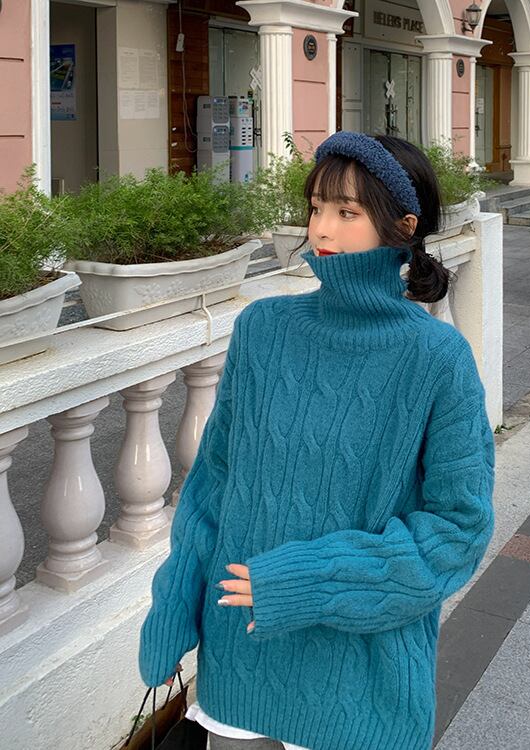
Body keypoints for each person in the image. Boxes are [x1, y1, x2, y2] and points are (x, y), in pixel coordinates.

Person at [138, 131, 496, 750]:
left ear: (402, 226)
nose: (322, 229)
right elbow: (214, 484)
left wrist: (311, 580)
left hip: (362, 681)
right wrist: (175, 602)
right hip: (241, 659)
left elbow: (457, 531)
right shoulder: (263, 329)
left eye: (347, 212)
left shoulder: (437, 357)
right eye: (316, 207)